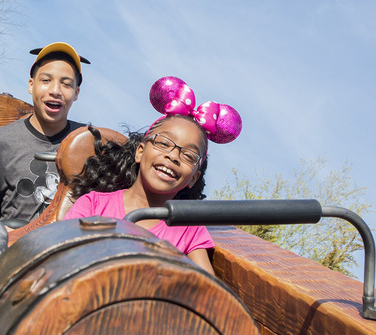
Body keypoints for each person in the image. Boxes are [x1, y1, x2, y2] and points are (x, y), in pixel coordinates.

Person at [64, 76, 243, 275]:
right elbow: (59, 255)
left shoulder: (189, 229)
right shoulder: (93, 204)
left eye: (189, 155)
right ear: (140, 151)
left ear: (194, 177)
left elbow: (208, 290)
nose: (173, 156)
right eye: (164, 143)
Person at [0, 42, 90, 224]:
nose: (55, 91)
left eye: (66, 84)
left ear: (76, 93)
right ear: (31, 85)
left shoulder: (90, 144)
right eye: (46, 80)